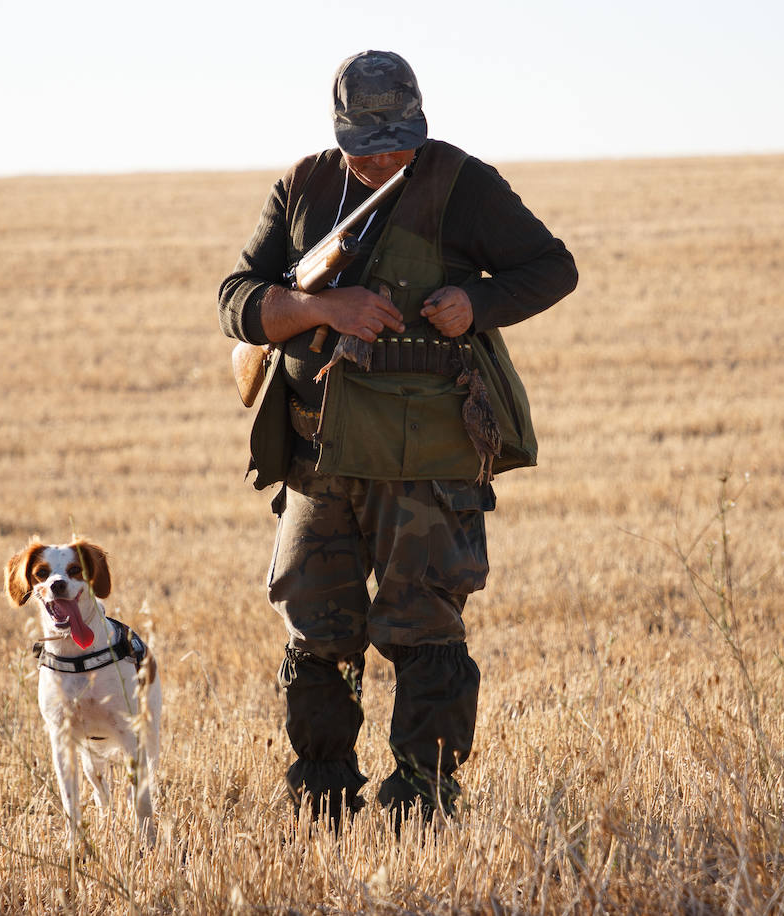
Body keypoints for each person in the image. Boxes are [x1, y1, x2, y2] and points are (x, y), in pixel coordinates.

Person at [217, 50, 578, 829]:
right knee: (318, 641)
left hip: (429, 465)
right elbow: (237, 301)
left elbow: (553, 268)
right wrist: (324, 309)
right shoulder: (305, 185)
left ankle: (423, 809)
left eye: (399, 137)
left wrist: (476, 303)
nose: (385, 153)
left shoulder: (462, 183)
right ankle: (321, 807)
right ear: (337, 131)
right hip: (320, 460)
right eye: (367, 140)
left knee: (427, 639)